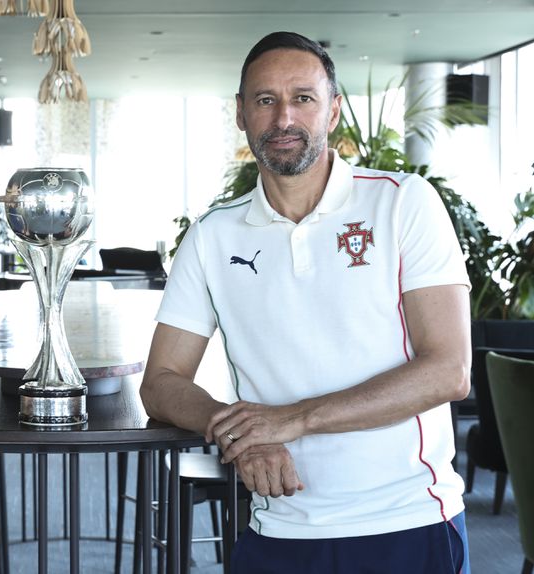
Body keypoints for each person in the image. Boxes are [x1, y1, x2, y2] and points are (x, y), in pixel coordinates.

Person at [140, 31, 471, 573]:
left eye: (303, 98)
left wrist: (291, 421)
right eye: (265, 101)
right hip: (278, 525)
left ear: (333, 110)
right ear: (241, 114)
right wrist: (243, 436)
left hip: (406, 520)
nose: (283, 118)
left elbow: (449, 371)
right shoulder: (211, 235)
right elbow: (161, 380)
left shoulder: (403, 202)